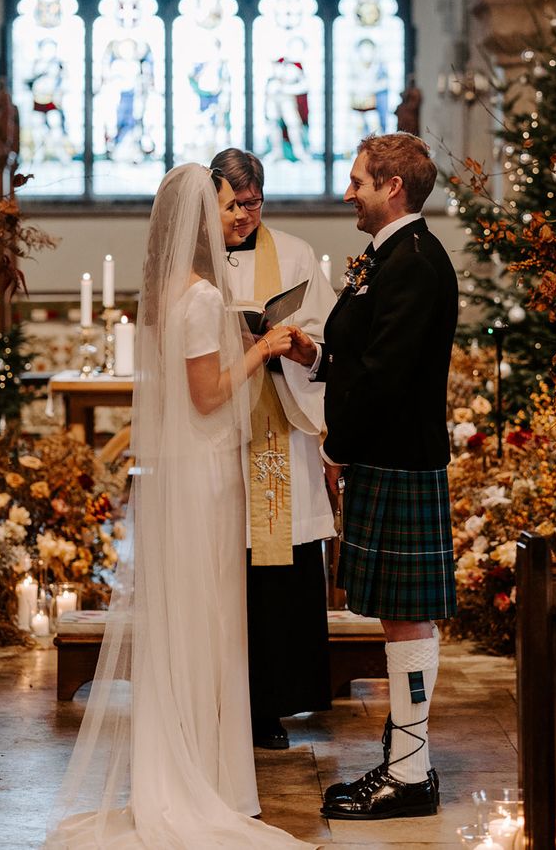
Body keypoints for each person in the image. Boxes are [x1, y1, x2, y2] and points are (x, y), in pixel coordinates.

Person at [46, 164, 313, 849]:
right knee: (207, 623)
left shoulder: (168, 293)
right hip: (203, 479)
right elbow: (206, 394)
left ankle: (194, 766)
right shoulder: (196, 299)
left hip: (187, 473)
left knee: (194, 622)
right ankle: (202, 778)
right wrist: (261, 347)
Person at [286, 132, 458, 821]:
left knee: (406, 617)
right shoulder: (389, 256)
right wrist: (317, 353)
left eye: (358, 180)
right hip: (386, 451)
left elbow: (386, 377)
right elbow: (366, 353)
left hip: (398, 454)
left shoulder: (414, 261)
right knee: (400, 614)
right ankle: (403, 765)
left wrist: (337, 446)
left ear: (392, 187)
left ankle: (410, 776)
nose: (348, 191)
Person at [210, 148, 336, 750]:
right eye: (235, 205)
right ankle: (218, 698)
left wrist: (297, 345)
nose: (245, 216)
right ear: (212, 201)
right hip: (216, 433)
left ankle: (272, 705)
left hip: (278, 427)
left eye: (254, 202)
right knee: (224, 567)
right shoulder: (195, 259)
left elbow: (325, 340)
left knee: (278, 571)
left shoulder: (293, 254)